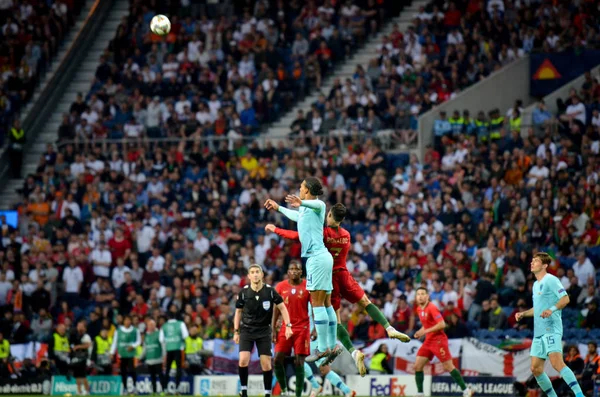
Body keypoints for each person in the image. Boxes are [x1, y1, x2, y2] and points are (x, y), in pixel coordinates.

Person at [266, 203, 410, 376]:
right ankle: (389, 328)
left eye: (328, 216)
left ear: (331, 217)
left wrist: (276, 229)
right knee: (366, 302)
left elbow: (297, 236)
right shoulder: (346, 235)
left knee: (335, 319)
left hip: (328, 277)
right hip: (344, 274)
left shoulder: (323, 233)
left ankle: (347, 350)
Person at [264, 177, 336, 363]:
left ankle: (322, 348)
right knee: (326, 303)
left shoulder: (318, 205)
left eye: (302, 186)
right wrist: (278, 208)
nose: (300, 188)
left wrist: (301, 202)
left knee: (318, 303)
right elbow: (297, 216)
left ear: (308, 190)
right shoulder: (305, 209)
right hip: (321, 258)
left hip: (316, 258)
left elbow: (318, 205)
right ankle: (332, 344)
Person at [515, 252, 585, 397]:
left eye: (536, 261)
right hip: (539, 332)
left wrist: (551, 309)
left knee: (557, 363)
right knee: (535, 369)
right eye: (532, 260)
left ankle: (580, 395)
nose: (532, 263)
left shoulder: (551, 280)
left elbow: (565, 299)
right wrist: (523, 313)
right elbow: (538, 309)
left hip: (551, 328)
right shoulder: (535, 285)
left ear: (545, 265)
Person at [234, 264, 293, 397]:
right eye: (252, 272)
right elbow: (238, 312)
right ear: (249, 276)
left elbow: (283, 308)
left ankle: (267, 393)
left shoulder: (270, 291)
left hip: (263, 331)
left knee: (266, 364)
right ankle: (243, 391)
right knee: (243, 360)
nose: (255, 274)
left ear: (262, 275)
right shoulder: (243, 292)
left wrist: (288, 326)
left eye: (257, 272)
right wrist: (236, 332)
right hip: (247, 330)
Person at [413, 287, 472, 397]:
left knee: (448, 366)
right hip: (428, 340)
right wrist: (419, 332)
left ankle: (466, 390)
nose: (420, 296)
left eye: (422, 294)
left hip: (438, 340)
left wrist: (425, 331)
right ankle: (420, 393)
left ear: (427, 296)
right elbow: (426, 325)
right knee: (417, 366)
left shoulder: (432, 307)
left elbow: (442, 324)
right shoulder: (419, 309)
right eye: (418, 294)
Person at [273, 260, 310, 397]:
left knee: (299, 361)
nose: (294, 271)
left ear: (301, 272)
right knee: (277, 359)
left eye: (297, 269)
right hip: (285, 327)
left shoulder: (308, 286)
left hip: (303, 327)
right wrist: (273, 328)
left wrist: (316, 328)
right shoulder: (280, 286)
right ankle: (284, 391)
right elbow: (276, 309)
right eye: (291, 269)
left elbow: (314, 308)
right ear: (288, 272)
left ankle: (298, 394)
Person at [304, 301, 356, 397]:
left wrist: (315, 330)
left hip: (313, 337)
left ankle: (346, 390)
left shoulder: (310, 296)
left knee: (324, 369)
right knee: (298, 361)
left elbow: (317, 312)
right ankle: (347, 391)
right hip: (305, 334)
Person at [159, 310, 189, 393]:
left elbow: (161, 339)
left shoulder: (164, 326)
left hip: (169, 349)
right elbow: (186, 335)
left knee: (167, 369)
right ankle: (177, 388)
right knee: (178, 368)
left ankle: (165, 389)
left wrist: (169, 341)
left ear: (167, 317)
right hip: (178, 348)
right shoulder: (180, 323)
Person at [110, 315, 141, 393]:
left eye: (129, 320)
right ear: (123, 321)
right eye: (126, 320)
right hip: (122, 354)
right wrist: (111, 352)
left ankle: (134, 387)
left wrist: (133, 346)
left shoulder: (135, 330)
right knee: (123, 371)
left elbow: (139, 341)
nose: (128, 322)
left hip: (131, 354)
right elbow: (115, 342)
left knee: (132, 370)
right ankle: (125, 388)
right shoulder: (118, 331)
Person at [141, 319, 163, 395]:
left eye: (152, 325)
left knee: (160, 375)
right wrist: (140, 357)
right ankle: (154, 391)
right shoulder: (146, 335)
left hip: (158, 359)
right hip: (149, 359)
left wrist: (164, 356)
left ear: (155, 325)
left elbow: (163, 345)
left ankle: (163, 390)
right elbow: (145, 348)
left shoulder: (159, 333)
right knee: (152, 376)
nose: (150, 326)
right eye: (149, 325)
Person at [70, 320, 92, 395]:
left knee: (82, 374)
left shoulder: (86, 336)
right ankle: (79, 390)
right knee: (77, 375)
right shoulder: (75, 335)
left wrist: (78, 346)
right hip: (77, 357)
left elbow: (88, 345)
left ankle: (87, 390)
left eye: (81, 326)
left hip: (84, 357)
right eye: (78, 326)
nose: (79, 327)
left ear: (84, 328)